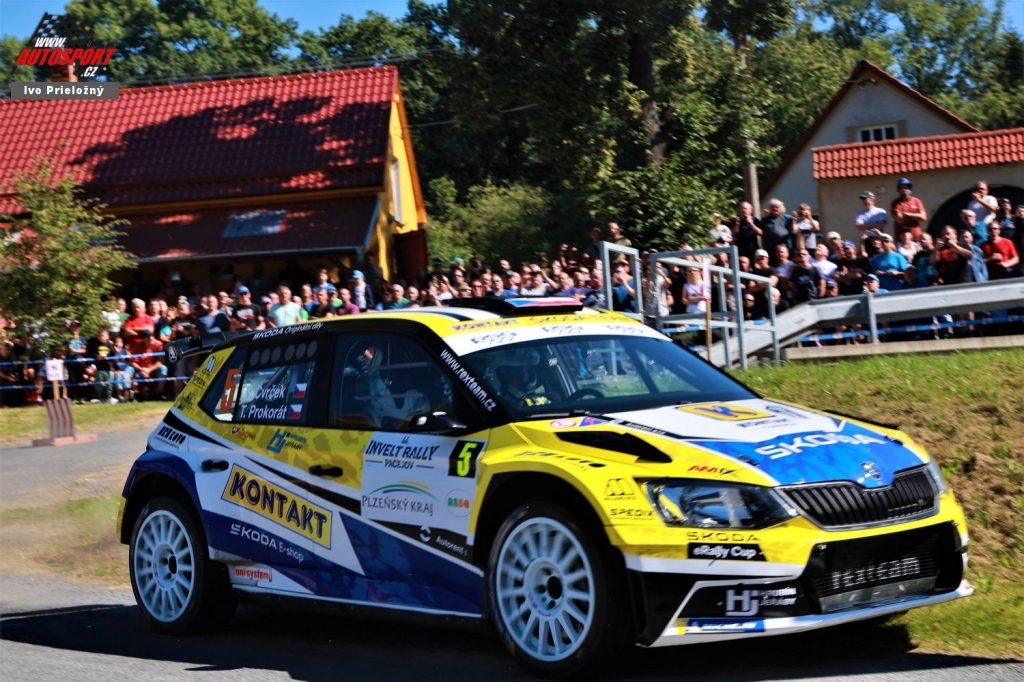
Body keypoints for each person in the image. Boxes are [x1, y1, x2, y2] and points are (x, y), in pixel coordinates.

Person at [87, 328, 118, 404]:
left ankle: (109, 397)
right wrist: (97, 356)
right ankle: (100, 398)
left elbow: (113, 353)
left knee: (109, 384)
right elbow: (91, 354)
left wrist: (106, 355)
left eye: (103, 336)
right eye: (100, 336)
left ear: (107, 337)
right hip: (99, 368)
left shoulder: (109, 345)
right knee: (99, 384)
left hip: (107, 367)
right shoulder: (96, 345)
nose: (101, 337)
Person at [748, 249, 778, 319]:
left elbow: (772, 283)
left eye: (761, 258)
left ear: (767, 259)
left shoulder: (772, 270)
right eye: (757, 259)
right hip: (759, 303)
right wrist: (765, 284)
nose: (759, 261)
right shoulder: (754, 273)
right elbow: (751, 288)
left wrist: (757, 284)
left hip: (771, 302)